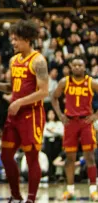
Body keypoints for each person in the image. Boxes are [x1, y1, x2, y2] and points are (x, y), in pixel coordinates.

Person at [0, 20, 49, 203]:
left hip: (31, 115)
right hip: (14, 115)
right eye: (12, 39)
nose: (13, 43)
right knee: (6, 155)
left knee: (31, 157)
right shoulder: (14, 60)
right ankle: (16, 195)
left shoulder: (38, 60)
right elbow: (12, 87)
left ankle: (31, 198)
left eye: (16, 39)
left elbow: (43, 91)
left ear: (27, 39)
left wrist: (19, 102)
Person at [51, 56, 98, 200]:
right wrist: (60, 115)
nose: (77, 67)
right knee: (69, 159)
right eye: (75, 65)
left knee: (89, 157)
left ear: (84, 68)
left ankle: (93, 189)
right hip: (70, 123)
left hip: (85, 122)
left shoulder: (91, 82)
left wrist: (95, 116)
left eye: (80, 65)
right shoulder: (64, 82)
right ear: (71, 67)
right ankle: (70, 190)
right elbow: (54, 97)